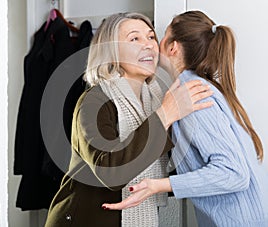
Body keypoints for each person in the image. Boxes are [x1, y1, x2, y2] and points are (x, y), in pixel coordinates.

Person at [44, 12, 213, 227]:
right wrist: (165, 115)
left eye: (151, 37)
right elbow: (110, 171)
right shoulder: (93, 101)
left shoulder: (156, 98)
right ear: (111, 52)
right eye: (135, 38)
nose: (148, 45)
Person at [103, 10, 268, 226]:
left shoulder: (191, 96)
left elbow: (233, 173)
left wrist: (159, 185)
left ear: (172, 47)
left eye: (155, 36)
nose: (151, 44)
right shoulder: (195, 88)